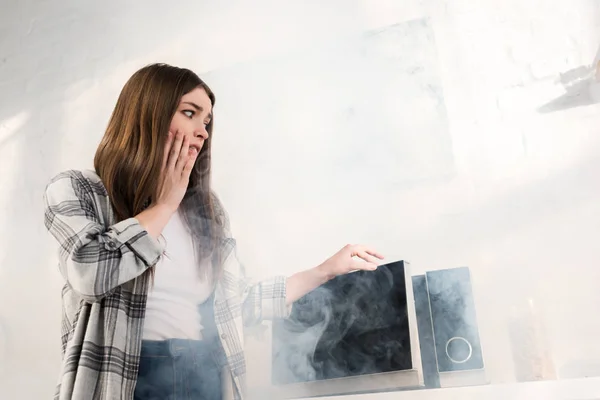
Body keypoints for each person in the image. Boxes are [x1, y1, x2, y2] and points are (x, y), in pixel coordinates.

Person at [43, 63, 384, 400]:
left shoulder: (206, 211)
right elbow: (89, 271)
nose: (203, 132)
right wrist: (164, 204)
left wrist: (325, 271)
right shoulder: (81, 189)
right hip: (125, 379)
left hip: (204, 374)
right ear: (148, 113)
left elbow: (236, 306)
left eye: (206, 121)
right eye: (189, 113)